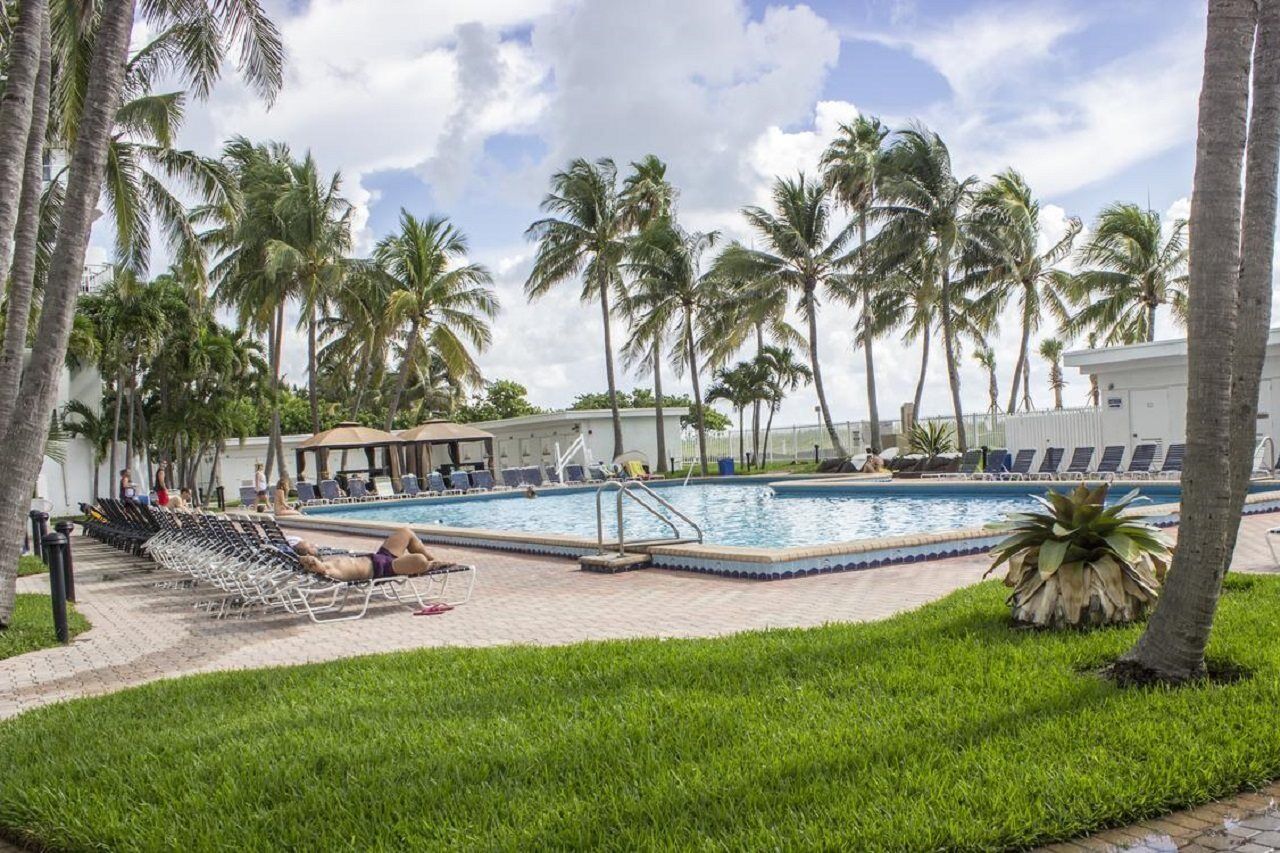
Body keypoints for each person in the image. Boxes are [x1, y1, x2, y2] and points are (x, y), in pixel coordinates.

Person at [294, 527, 454, 582]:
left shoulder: (328, 561)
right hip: (384, 569)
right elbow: (314, 565)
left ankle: (433, 560)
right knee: (419, 560)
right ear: (309, 556)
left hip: (380, 557)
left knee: (406, 532)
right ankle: (429, 565)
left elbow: (312, 560)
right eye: (310, 545)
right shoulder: (325, 568)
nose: (314, 545)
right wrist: (305, 559)